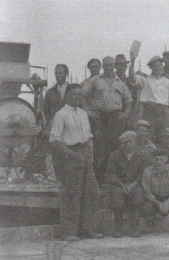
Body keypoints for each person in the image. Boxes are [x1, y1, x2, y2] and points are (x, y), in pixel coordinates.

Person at [49, 84, 104, 241]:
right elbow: (54, 141)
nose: (77, 98)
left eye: (80, 95)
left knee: (91, 193)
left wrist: (90, 156)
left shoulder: (83, 113)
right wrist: (72, 155)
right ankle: (68, 231)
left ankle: (89, 229)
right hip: (71, 156)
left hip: (86, 155)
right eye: (74, 95)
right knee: (72, 194)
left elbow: (88, 136)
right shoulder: (61, 115)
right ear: (67, 96)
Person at [83, 56, 133, 180]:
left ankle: (112, 177)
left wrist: (125, 114)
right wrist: (87, 111)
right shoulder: (95, 80)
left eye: (111, 65)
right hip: (99, 117)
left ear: (114, 66)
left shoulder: (120, 83)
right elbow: (82, 94)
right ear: (102, 67)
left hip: (115, 118)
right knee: (99, 147)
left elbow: (128, 100)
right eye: (106, 66)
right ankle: (98, 178)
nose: (109, 68)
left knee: (115, 146)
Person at [104, 131, 150, 238]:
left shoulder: (142, 155)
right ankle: (118, 228)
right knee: (117, 196)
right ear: (122, 145)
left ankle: (135, 227)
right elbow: (110, 173)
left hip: (136, 184)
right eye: (125, 142)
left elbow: (144, 172)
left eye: (130, 141)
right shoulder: (115, 155)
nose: (128, 144)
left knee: (137, 195)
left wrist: (133, 184)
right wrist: (121, 184)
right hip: (119, 184)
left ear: (135, 142)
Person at [129, 55, 169, 144]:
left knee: (165, 136)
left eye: (158, 65)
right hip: (149, 111)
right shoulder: (145, 80)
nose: (156, 68)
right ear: (151, 68)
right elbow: (132, 77)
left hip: (164, 112)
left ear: (162, 66)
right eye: (154, 66)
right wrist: (132, 62)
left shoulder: (167, 82)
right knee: (148, 137)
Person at [115, 54, 142, 129]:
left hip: (130, 111)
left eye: (123, 65)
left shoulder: (130, 79)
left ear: (126, 66)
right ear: (115, 67)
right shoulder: (112, 79)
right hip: (116, 111)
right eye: (119, 65)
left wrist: (133, 62)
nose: (121, 68)